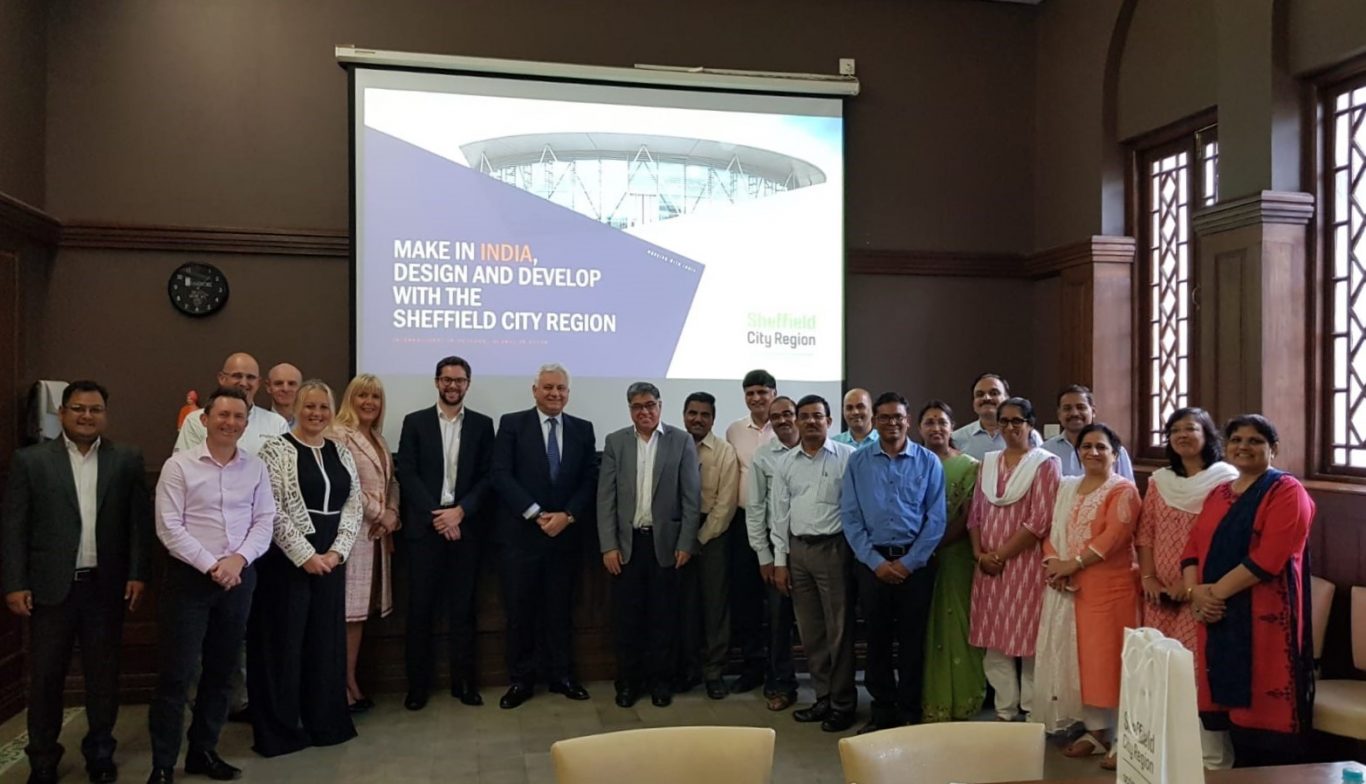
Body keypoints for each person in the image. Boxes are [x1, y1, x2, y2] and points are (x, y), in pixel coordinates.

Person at [2, 381, 151, 784]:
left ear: (106, 414)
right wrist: (14, 582)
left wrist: (138, 573)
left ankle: (101, 755)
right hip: (51, 591)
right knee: (46, 680)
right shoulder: (30, 461)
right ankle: (43, 760)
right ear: (62, 413)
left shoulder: (126, 459)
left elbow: (139, 525)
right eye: (79, 409)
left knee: (103, 680)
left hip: (106, 588)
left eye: (96, 409)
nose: (87, 416)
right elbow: (14, 528)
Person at [148, 387, 275, 784]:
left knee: (221, 673)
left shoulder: (255, 468)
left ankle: (204, 751)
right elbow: (169, 527)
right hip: (189, 580)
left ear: (246, 422)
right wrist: (211, 565)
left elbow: (264, 520)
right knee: (177, 674)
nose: (230, 423)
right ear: (204, 419)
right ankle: (164, 764)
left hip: (238, 578)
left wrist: (237, 561)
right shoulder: (179, 467)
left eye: (238, 417)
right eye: (223, 415)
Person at [1183, 415, 1316, 768]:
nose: (1243, 446)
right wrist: (1195, 593)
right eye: (1236, 439)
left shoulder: (1287, 491)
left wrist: (1211, 596)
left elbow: (1270, 558)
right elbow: (1193, 546)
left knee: (1262, 726)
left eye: (1255, 440)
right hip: (1216, 616)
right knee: (1226, 719)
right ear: (1226, 448)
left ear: (1273, 449)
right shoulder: (1219, 493)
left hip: (1264, 620)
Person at [250, 380, 360, 757]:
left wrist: (336, 552)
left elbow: (354, 504)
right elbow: (273, 508)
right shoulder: (275, 450)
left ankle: (325, 722)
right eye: (309, 406)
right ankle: (283, 729)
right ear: (296, 407)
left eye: (323, 407)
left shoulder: (341, 451)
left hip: (331, 557)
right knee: (285, 641)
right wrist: (305, 555)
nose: (316, 413)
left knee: (324, 642)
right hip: (287, 561)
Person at [1034, 423, 1140, 771]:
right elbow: (1050, 531)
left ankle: (1128, 739)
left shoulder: (1122, 490)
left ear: (1115, 453)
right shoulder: (1066, 487)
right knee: (1080, 663)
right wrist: (1054, 565)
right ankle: (1097, 733)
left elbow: (1115, 536)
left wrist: (1072, 564)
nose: (1093, 452)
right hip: (1069, 587)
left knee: (1109, 663)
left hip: (1110, 589)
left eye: (1101, 447)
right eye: (1086, 446)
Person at [1136, 407, 1237, 768]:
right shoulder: (1160, 480)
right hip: (1159, 597)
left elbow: (1222, 541)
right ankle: (1167, 756)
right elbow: (1146, 532)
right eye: (1174, 430)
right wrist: (1149, 577)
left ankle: (1210, 761)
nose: (1181, 435)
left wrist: (1187, 583)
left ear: (1208, 435)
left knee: (1198, 678)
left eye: (1190, 428)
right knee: (1159, 673)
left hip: (1201, 592)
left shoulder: (1225, 481)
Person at [841, 392, 946, 734]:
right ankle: (882, 711)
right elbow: (851, 518)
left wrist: (909, 563)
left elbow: (936, 519)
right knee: (877, 641)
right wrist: (875, 562)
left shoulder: (928, 461)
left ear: (908, 419)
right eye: (883, 417)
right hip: (872, 566)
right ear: (875, 420)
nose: (891, 423)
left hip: (916, 567)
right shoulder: (858, 462)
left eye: (897, 417)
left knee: (913, 641)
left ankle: (910, 711)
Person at [493, 364, 597, 709]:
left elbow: (588, 480)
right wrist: (537, 514)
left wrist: (567, 516)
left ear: (569, 392)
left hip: (565, 538)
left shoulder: (583, 429)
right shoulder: (512, 424)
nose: (555, 394)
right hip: (522, 537)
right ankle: (521, 681)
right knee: (520, 612)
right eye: (548, 387)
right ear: (534, 390)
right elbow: (501, 475)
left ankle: (562, 676)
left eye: (561, 389)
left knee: (560, 611)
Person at [396, 356, 495, 710]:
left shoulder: (483, 426)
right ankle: (417, 686)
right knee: (420, 610)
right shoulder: (415, 422)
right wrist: (438, 516)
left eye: (460, 380)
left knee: (463, 611)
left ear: (468, 384)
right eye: (447, 379)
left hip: (465, 530)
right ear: (437, 382)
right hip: (426, 531)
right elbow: (406, 472)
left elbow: (488, 477)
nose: (453, 386)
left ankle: (464, 683)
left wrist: (460, 512)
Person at [597, 382, 701, 709]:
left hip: (666, 546)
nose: (645, 412)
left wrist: (686, 542)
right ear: (630, 409)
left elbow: (690, 497)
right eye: (637, 406)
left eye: (650, 405)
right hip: (627, 546)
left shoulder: (680, 441)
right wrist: (608, 545)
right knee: (628, 620)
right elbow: (606, 499)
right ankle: (628, 682)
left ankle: (660, 682)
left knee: (663, 620)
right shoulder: (616, 442)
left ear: (660, 405)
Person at [967, 396, 1059, 721]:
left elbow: (1040, 520)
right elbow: (975, 515)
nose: (1009, 427)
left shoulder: (1045, 463)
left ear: (1030, 424)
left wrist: (1000, 554)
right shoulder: (988, 463)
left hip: (1025, 565)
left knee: (1028, 640)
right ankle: (1005, 710)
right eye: (1003, 421)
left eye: (1016, 421)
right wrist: (980, 555)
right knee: (995, 640)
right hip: (988, 567)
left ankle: (1034, 712)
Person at [772, 395, 857, 732]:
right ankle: (822, 697)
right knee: (811, 633)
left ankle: (843, 703)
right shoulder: (786, 463)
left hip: (834, 550)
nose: (810, 422)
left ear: (829, 420)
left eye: (817, 416)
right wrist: (781, 561)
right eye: (804, 416)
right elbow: (779, 515)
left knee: (839, 631)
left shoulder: (849, 458)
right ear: (796, 422)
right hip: (799, 553)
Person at [332, 374, 400, 713]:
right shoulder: (338, 434)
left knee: (357, 617)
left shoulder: (378, 438)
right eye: (362, 395)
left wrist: (392, 511)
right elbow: (342, 484)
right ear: (350, 398)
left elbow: (392, 483)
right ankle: (341, 686)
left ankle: (350, 680)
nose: (369, 402)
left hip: (375, 539)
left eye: (375, 396)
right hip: (350, 537)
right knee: (345, 615)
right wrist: (378, 513)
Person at [916, 401, 986, 723]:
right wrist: (922, 548)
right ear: (919, 429)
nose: (936, 429)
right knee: (926, 624)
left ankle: (965, 697)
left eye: (942, 423)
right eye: (929, 423)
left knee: (959, 622)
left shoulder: (970, 466)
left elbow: (970, 515)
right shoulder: (913, 463)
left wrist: (935, 544)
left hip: (955, 555)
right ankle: (932, 697)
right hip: (918, 556)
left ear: (952, 427)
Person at [676, 392, 739, 699]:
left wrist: (698, 539)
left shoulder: (725, 452)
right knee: (683, 608)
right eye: (692, 413)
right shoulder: (671, 446)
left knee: (715, 607)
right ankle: (688, 669)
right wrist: (683, 539)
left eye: (704, 414)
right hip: (676, 537)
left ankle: (714, 672)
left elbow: (726, 505)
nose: (697, 419)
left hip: (712, 535)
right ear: (683, 415)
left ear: (713, 419)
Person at [745, 396, 802, 711]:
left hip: (814, 547)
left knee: (820, 621)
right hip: (775, 549)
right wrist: (764, 555)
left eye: (788, 414)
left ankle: (828, 686)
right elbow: (755, 509)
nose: (783, 420)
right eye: (776, 416)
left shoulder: (822, 450)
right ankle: (781, 683)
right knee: (779, 622)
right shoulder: (764, 457)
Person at [724, 369, 776, 693]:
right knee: (746, 600)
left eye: (762, 392)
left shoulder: (788, 425)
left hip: (780, 526)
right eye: (750, 393)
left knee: (778, 602)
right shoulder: (734, 430)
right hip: (742, 526)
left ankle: (777, 668)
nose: (756, 398)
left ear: (773, 393)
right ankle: (752, 665)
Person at [174, 353, 289, 456]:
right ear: (222, 378)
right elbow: (183, 467)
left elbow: (285, 473)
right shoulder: (195, 421)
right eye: (237, 376)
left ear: (258, 383)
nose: (243, 383)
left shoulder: (277, 424)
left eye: (250, 377)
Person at [1040, 385, 1135, 479]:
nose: (1074, 413)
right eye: (1067, 408)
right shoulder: (1045, 451)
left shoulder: (1114, 450)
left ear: (1093, 412)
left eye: (1081, 407)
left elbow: (1129, 490)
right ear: (1059, 414)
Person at [952, 373, 1040, 460]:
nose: (986, 398)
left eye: (994, 393)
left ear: (1007, 399)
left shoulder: (1029, 436)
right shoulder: (957, 438)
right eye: (980, 394)